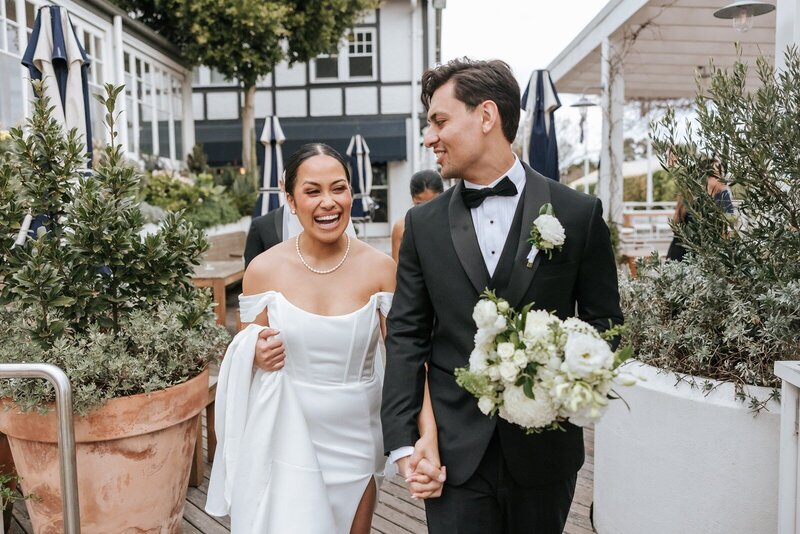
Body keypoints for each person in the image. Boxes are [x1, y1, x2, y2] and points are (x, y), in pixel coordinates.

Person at [381, 58, 623, 533]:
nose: (430, 137)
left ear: (486, 116)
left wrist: (562, 379)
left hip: (543, 453)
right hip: (453, 454)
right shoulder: (421, 227)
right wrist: (405, 443)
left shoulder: (577, 214)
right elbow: (407, 336)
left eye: (440, 120)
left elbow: (604, 327)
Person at [206, 143, 441, 533]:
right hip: (284, 434)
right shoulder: (262, 271)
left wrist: (427, 435)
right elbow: (247, 349)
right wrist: (255, 353)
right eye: (312, 191)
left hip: (357, 438)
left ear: (352, 192)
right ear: (291, 200)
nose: (328, 202)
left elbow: (410, 359)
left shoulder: (382, 270)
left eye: (339, 188)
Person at [244, 178, 356, 267]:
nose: (327, 202)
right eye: (312, 191)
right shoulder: (261, 225)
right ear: (282, 185)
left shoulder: (338, 223)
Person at [666, 157, 734, 262]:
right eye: (718, 174)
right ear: (705, 178)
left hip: (679, 259)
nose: (723, 178)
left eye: (723, 173)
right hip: (687, 263)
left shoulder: (696, 201)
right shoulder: (699, 207)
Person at [391, 170, 444, 262]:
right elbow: (397, 268)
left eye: (433, 203)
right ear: (412, 198)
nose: (427, 210)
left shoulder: (453, 223)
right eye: (420, 205)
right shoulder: (401, 227)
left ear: (443, 196)